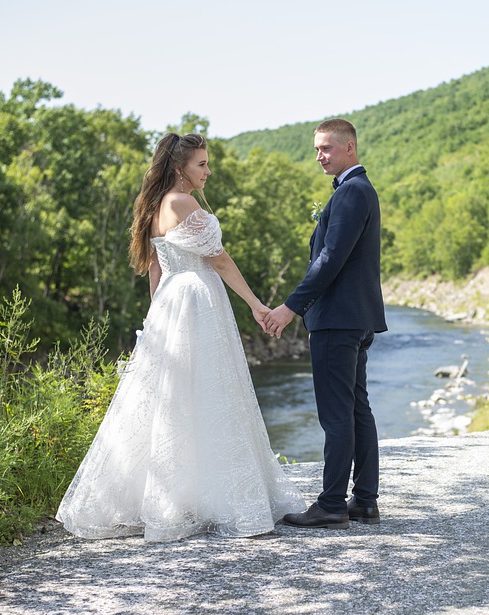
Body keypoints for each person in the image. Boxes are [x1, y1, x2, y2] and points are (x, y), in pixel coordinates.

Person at [56, 132, 306, 541]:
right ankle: (214, 497)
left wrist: (156, 316)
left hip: (172, 300)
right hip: (196, 299)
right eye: (201, 164)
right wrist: (257, 305)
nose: (208, 170)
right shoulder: (181, 202)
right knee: (208, 393)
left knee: (174, 398)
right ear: (179, 169)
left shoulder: (155, 206)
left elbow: (155, 268)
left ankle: (177, 496)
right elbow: (220, 261)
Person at [265, 119, 386, 530]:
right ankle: (364, 501)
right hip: (356, 318)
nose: (320, 156)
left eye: (327, 149)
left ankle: (333, 503)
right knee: (355, 409)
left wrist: (290, 307)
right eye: (317, 149)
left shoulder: (352, 191)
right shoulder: (359, 190)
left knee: (337, 415)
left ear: (350, 147)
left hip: (337, 319)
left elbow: (330, 259)